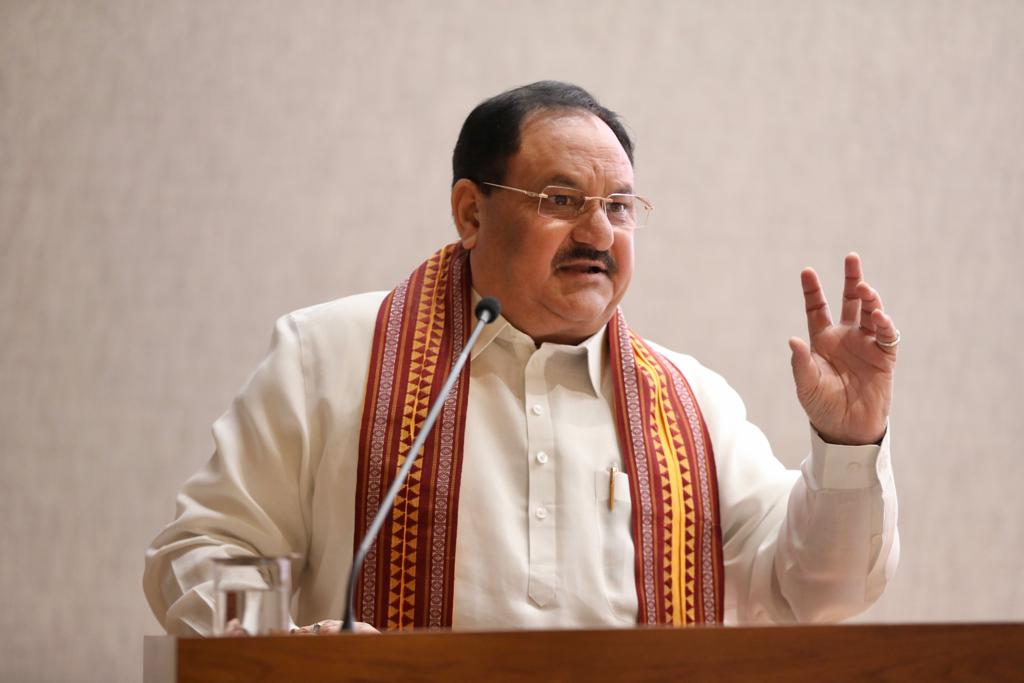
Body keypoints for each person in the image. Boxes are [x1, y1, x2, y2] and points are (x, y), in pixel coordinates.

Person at [144, 81, 899, 636]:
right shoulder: (330, 355)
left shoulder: (693, 402)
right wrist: (304, 659)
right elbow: (202, 551)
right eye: (563, 200)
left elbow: (815, 590)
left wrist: (850, 443)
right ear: (472, 212)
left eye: (621, 206)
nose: (600, 232)